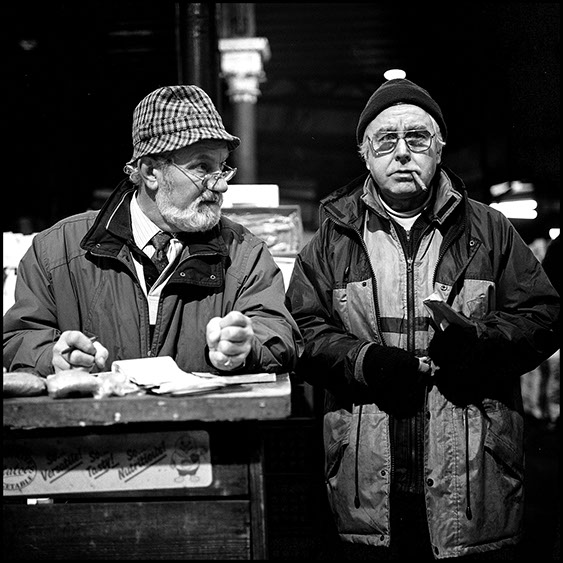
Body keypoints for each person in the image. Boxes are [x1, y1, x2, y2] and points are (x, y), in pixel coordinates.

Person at [285, 75, 560, 560]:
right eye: (386, 140)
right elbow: (300, 328)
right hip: (364, 484)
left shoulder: (490, 229)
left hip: (473, 481)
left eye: (417, 138)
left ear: (438, 149)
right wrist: (364, 362)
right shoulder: (333, 238)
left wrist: (485, 345)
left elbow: (542, 312)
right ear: (364, 152)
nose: (403, 153)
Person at [3, 84, 300, 378]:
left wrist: (245, 348)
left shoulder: (245, 254)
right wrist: (53, 355)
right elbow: (18, 339)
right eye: (201, 167)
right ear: (149, 172)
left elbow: (278, 335)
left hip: (202, 426)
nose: (220, 184)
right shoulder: (56, 250)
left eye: (222, 166)